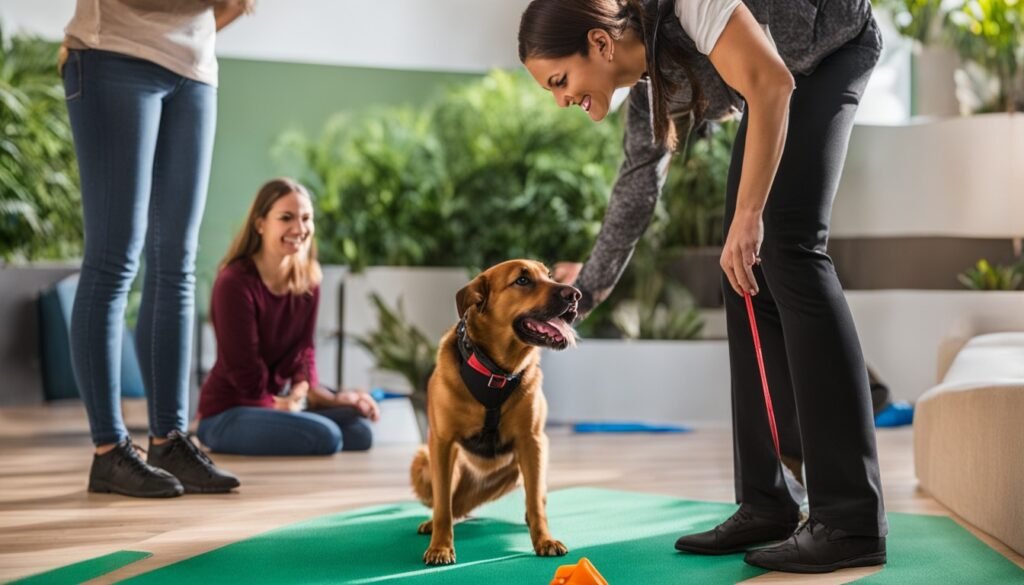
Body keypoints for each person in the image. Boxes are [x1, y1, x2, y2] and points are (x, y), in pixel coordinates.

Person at [519, 0, 887, 574]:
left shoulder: (689, 3)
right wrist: (578, 301)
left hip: (831, 50)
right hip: (780, 81)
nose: (561, 98)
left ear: (598, 43)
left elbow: (770, 84)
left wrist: (750, 216)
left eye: (560, 80)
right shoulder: (648, 90)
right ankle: (766, 503)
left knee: (786, 246)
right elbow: (636, 191)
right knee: (741, 270)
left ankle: (851, 519)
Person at [62, 0, 251, 498]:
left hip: (195, 72)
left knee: (177, 267)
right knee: (113, 260)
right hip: (114, 56)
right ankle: (109, 452)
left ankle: (169, 439)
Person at [195, 178, 380, 456]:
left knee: (359, 433)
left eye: (306, 218)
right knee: (327, 436)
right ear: (260, 224)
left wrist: (309, 392)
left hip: (280, 402)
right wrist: (280, 404)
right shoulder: (234, 282)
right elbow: (243, 370)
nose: (300, 228)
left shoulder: (308, 279)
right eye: (286, 218)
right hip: (230, 411)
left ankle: (306, 416)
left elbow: (304, 351)